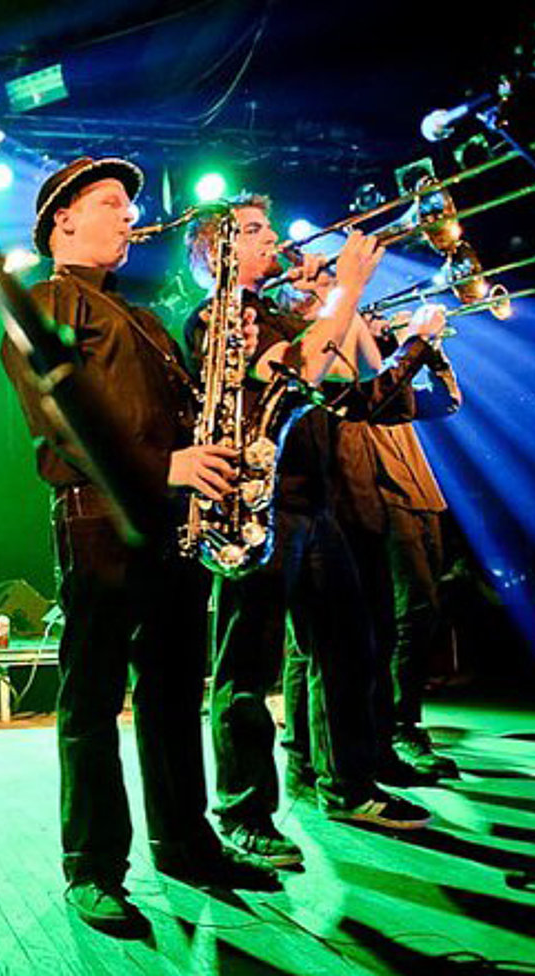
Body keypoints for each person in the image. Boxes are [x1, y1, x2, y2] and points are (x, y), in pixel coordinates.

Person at [0, 157, 279, 936]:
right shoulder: (46, 304)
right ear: (62, 220)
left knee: (174, 693)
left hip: (173, 523)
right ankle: (93, 866)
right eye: (111, 203)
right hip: (98, 519)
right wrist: (168, 467)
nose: (130, 215)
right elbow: (63, 423)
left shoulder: (147, 319)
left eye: (130, 203)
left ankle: (186, 842)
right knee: (92, 697)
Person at [190, 195, 442, 869]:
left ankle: (349, 785)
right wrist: (347, 287)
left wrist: (338, 296)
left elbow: (363, 382)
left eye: (268, 227)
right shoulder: (220, 318)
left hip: (313, 502)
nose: (273, 239)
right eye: (253, 231)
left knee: (349, 649)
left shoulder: (282, 313)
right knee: (247, 669)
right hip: (254, 506)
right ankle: (245, 813)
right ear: (214, 254)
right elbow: (297, 370)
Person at [332, 321, 463, 781]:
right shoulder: (360, 381)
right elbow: (376, 390)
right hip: (384, 498)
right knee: (405, 616)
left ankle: (400, 724)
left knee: (422, 613)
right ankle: (397, 727)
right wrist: (410, 343)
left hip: (423, 496)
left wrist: (435, 355)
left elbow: (446, 403)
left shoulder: (395, 380)